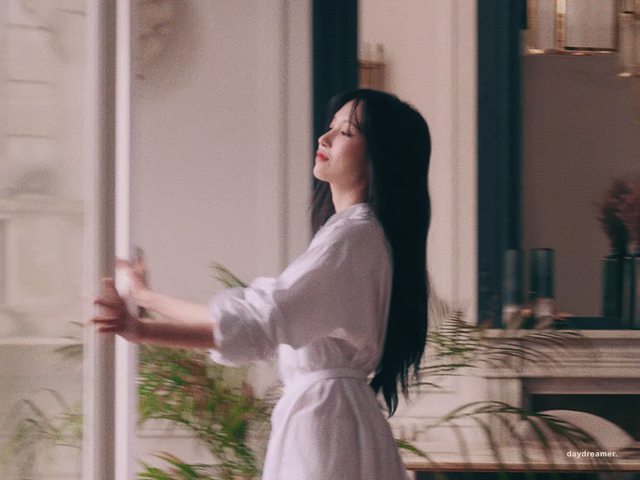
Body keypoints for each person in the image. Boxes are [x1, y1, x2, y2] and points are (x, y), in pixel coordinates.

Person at [93, 88, 431, 480]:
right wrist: (144, 298)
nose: (324, 139)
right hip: (335, 422)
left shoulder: (354, 238)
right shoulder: (360, 236)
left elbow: (257, 322)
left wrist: (140, 327)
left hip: (327, 428)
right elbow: (253, 317)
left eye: (346, 132)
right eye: (330, 126)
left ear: (380, 157)